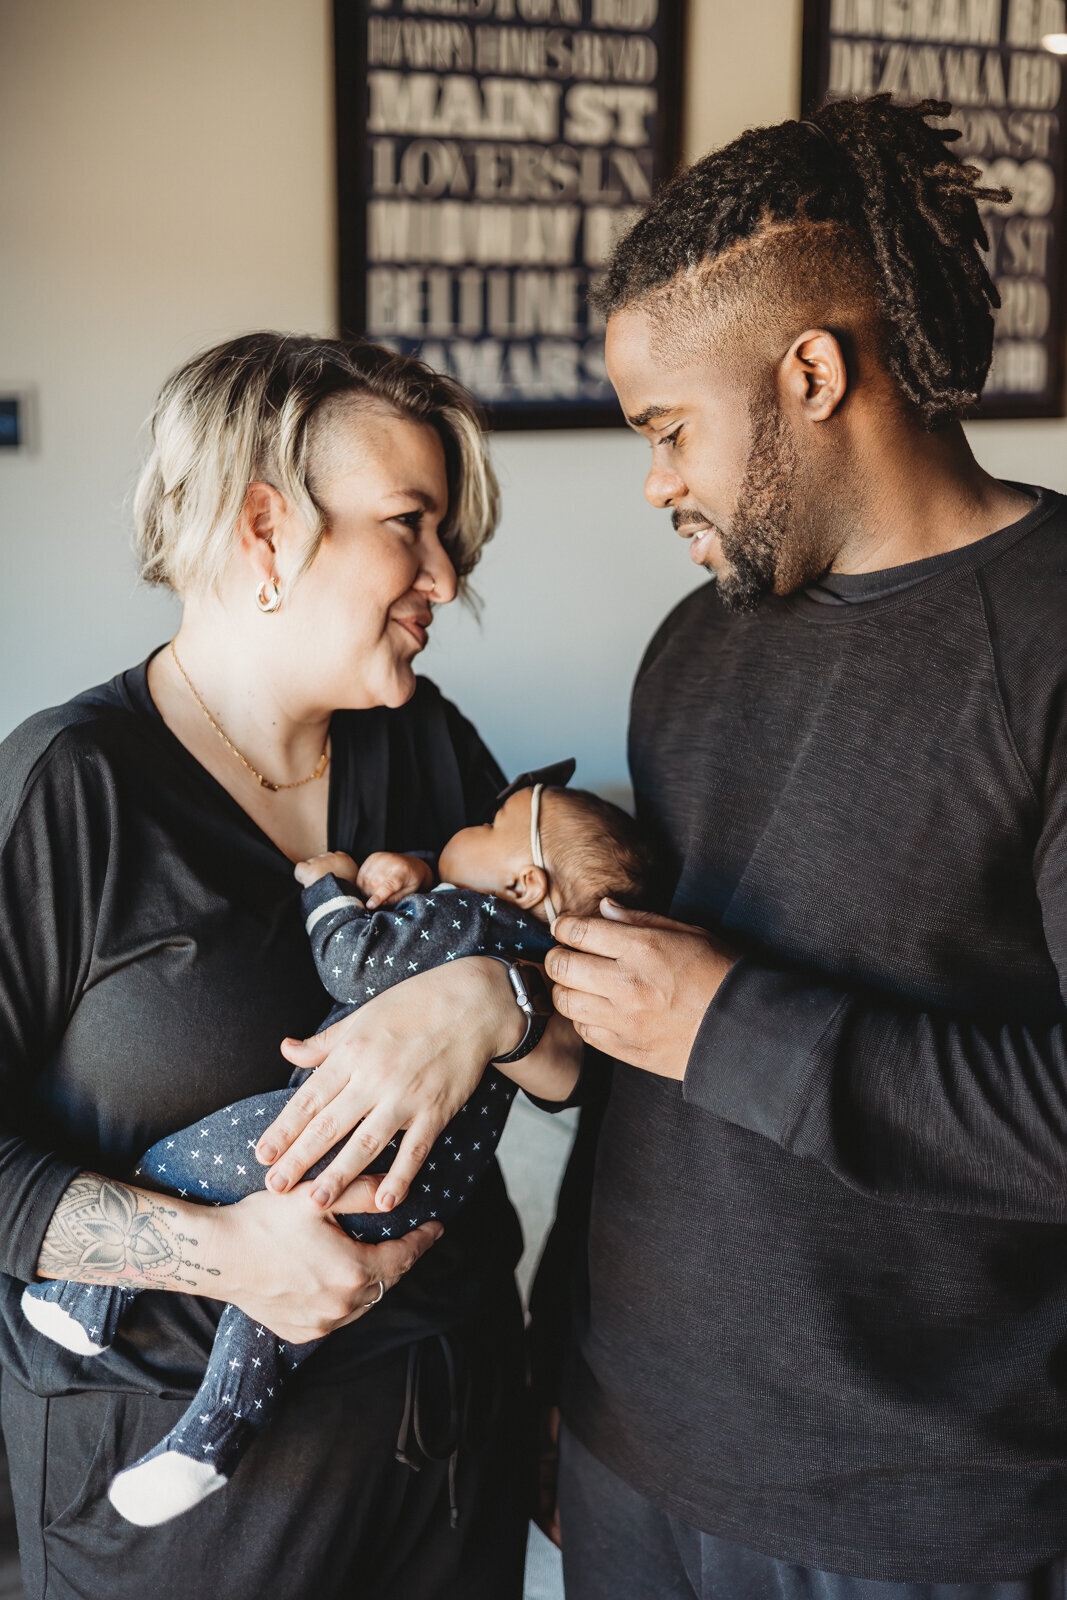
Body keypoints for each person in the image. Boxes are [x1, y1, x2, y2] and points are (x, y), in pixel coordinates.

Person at [538, 94, 1067, 1597]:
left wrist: (725, 1023)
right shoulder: (690, 652)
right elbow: (642, 1076)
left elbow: (697, 1028)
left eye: (666, 431)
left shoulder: (1045, 645)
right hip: (632, 1458)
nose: (654, 482)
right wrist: (554, 1367)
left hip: (929, 1519)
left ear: (812, 375)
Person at [0, 332, 577, 1600]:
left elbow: (567, 1060)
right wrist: (228, 1255)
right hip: (170, 1512)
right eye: (409, 524)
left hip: (440, 1457)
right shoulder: (72, 788)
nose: (447, 572)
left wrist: (492, 999)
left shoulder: (425, 744)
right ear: (265, 527)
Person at [20, 774, 656, 1528]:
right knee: (278, 1318)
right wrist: (417, 869)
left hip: (328, 1139)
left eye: (489, 823)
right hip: (406, 1193)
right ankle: (209, 1441)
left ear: (521, 882)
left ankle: (90, 1296)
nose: (470, 824)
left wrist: (330, 889)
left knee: (171, 1167)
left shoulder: (469, 912)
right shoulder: (529, 949)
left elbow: (354, 962)